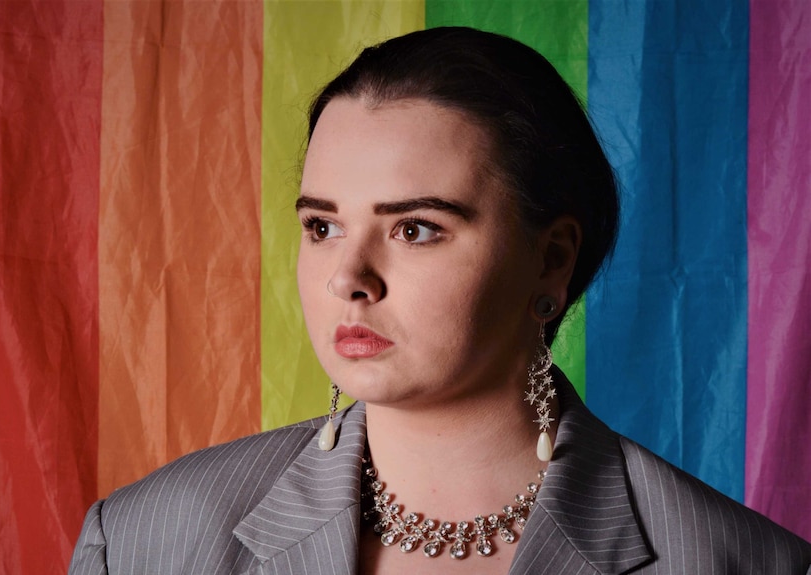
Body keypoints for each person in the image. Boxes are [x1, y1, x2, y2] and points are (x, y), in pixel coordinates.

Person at [69, 27, 811, 575]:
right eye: (323, 225)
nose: (347, 276)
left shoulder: (740, 562)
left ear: (551, 259)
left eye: (415, 228)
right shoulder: (140, 541)